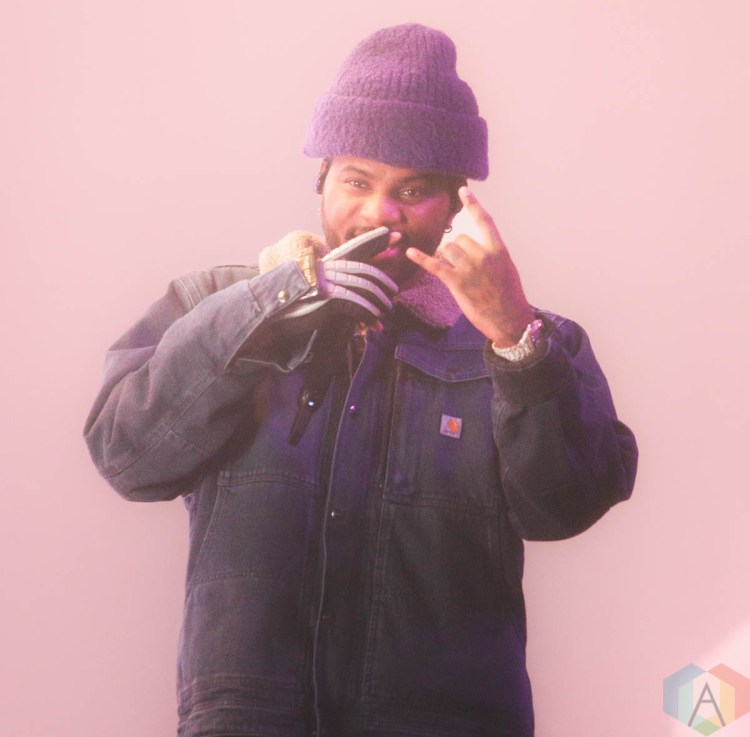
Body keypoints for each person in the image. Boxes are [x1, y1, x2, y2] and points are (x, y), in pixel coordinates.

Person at [84, 23, 637, 737]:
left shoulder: (529, 339)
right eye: (357, 181)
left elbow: (565, 508)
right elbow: (127, 457)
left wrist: (513, 337)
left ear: (458, 201)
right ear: (320, 177)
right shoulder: (213, 308)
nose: (381, 214)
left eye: (414, 189)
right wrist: (267, 307)